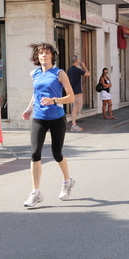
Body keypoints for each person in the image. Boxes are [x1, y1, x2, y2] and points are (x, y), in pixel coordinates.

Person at [22, 42, 75, 207]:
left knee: (56, 154)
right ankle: (35, 193)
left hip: (57, 117)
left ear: (52, 55)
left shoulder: (59, 73)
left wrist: (54, 100)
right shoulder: (34, 73)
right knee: (35, 154)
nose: (43, 56)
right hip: (39, 117)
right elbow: (35, 93)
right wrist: (29, 108)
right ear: (37, 57)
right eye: (40, 53)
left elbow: (71, 97)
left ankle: (67, 181)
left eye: (46, 53)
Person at [67, 55, 90, 132]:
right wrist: (84, 66)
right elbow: (88, 74)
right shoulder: (77, 70)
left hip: (71, 91)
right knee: (75, 108)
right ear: (77, 62)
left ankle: (74, 124)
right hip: (77, 91)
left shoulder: (69, 70)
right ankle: (73, 125)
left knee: (75, 108)